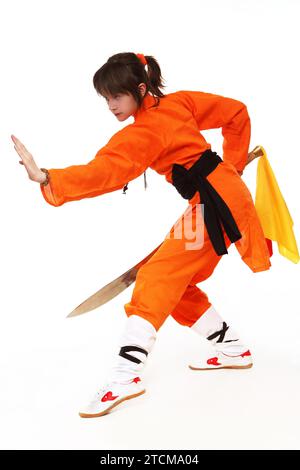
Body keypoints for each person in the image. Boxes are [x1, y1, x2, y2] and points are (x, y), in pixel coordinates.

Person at [11, 52, 271, 419]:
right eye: (105, 98)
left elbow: (107, 171)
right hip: (218, 198)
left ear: (140, 88)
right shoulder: (178, 103)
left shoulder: (147, 130)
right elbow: (236, 112)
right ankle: (232, 348)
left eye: (116, 96)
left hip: (216, 204)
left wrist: (49, 179)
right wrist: (234, 166)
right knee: (176, 282)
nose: (111, 105)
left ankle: (125, 376)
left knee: (156, 275)